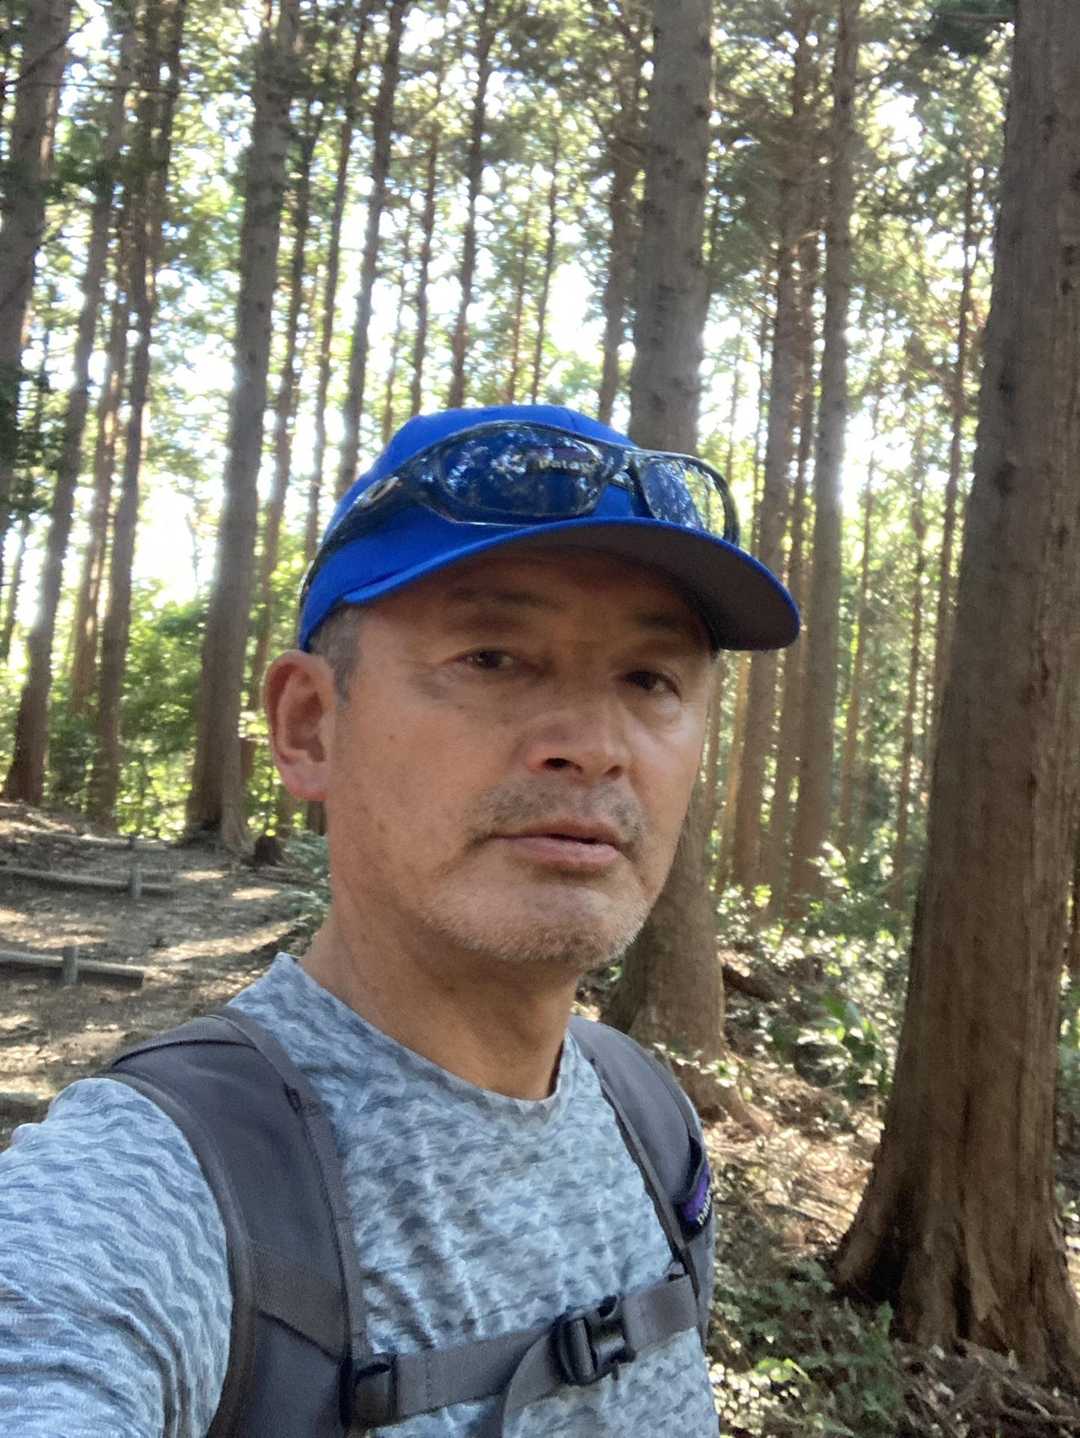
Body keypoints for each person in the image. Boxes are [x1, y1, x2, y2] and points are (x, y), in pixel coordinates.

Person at [0, 403, 798, 1436]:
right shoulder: (142, 1199)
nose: (595, 745)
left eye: (650, 678)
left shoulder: (654, 1126)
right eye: (494, 657)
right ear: (309, 727)